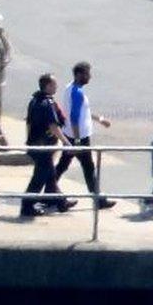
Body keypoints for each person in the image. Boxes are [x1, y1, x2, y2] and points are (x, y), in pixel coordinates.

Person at [54, 62, 116, 209]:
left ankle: (49, 191)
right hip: (78, 138)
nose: (89, 77)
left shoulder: (71, 88)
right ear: (78, 75)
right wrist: (76, 141)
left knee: (63, 165)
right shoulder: (77, 93)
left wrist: (100, 120)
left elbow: (83, 112)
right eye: (87, 74)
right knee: (88, 167)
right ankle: (98, 199)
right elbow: (75, 117)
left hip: (70, 135)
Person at [22, 73, 76, 218]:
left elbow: (28, 123)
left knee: (51, 176)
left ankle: (60, 203)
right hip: (43, 147)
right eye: (54, 84)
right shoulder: (47, 103)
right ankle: (26, 206)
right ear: (47, 86)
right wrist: (66, 142)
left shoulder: (34, 100)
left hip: (36, 145)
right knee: (39, 178)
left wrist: (28, 142)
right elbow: (53, 126)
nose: (56, 86)